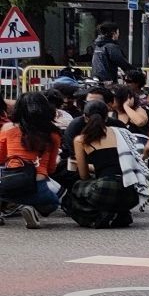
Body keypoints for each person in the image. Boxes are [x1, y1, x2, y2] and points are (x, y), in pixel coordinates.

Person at [64, 101, 140, 228]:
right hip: (131, 191)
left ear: (85, 117)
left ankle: (96, 218)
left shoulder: (81, 140)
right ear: (107, 117)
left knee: (76, 189)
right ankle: (120, 214)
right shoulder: (122, 133)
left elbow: (84, 176)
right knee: (112, 193)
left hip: (104, 188)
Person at [1, 91, 65, 227]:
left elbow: (0, 158)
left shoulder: (7, 129)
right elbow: (51, 168)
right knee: (53, 203)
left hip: (8, 184)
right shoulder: (53, 134)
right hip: (38, 187)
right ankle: (32, 208)